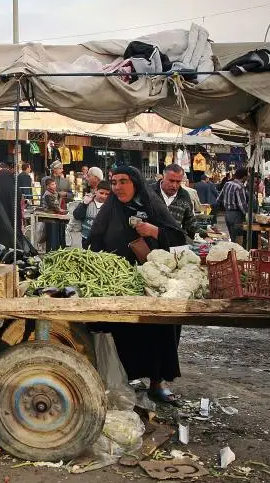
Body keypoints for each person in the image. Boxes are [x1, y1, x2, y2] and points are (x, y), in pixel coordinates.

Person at [90, 166, 186, 405]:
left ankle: (157, 383)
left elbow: (178, 238)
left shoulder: (152, 206)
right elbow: (92, 241)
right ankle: (121, 381)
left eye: (124, 181)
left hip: (150, 281)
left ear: (136, 183)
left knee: (158, 328)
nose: (118, 187)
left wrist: (154, 231)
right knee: (118, 331)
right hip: (116, 282)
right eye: (113, 182)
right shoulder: (109, 209)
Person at [154, 164, 195, 240]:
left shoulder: (184, 195)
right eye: (171, 181)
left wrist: (204, 234)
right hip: (151, 244)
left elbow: (190, 222)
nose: (174, 185)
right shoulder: (150, 192)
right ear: (163, 177)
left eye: (178, 182)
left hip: (174, 244)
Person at [72, 180, 110, 249]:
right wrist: (84, 204)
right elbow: (77, 215)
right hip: (85, 238)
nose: (104, 196)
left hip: (101, 241)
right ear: (96, 191)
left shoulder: (109, 206)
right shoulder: (88, 201)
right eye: (101, 193)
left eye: (107, 194)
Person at [217, 168, 249, 245]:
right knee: (238, 238)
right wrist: (248, 215)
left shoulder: (227, 184)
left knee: (232, 237)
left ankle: (233, 253)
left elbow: (219, 199)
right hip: (236, 215)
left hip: (227, 214)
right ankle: (237, 255)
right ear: (244, 177)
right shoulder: (239, 187)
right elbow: (242, 205)